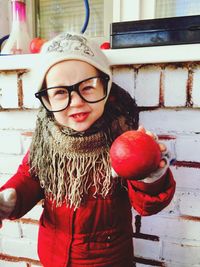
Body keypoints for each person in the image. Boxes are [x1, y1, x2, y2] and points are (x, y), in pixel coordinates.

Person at [0, 32, 176, 267]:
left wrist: (149, 177)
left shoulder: (123, 139)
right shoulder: (46, 141)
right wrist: (12, 197)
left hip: (108, 259)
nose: (76, 101)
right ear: (47, 101)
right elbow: (30, 177)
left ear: (106, 86)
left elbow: (147, 205)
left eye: (88, 87)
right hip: (53, 255)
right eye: (61, 92)